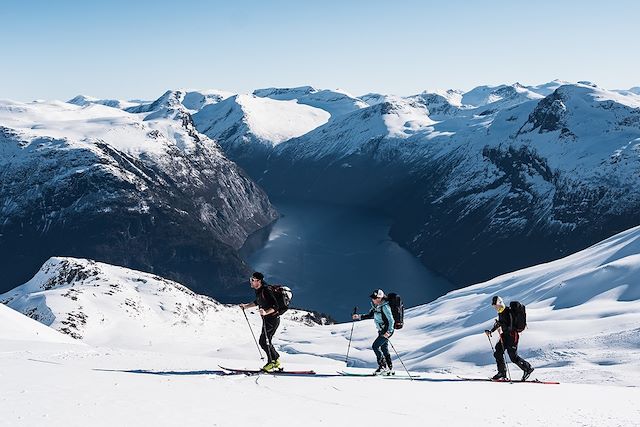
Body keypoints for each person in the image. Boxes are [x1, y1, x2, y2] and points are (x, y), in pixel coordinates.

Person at [239, 272, 282, 372]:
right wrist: (246, 306)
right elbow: (258, 301)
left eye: (253, 280)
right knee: (266, 341)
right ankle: (275, 360)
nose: (251, 281)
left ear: (259, 281)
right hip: (267, 319)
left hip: (272, 319)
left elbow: (275, 306)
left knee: (263, 341)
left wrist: (266, 312)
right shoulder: (259, 291)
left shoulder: (266, 290)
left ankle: (272, 361)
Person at [485, 296, 534, 381]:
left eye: (496, 305)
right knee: (498, 352)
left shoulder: (508, 312)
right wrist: (491, 331)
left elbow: (510, 326)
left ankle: (527, 368)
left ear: (500, 303)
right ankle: (502, 373)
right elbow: (500, 323)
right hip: (505, 335)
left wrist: (501, 326)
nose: (495, 307)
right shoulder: (500, 312)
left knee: (513, 357)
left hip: (512, 336)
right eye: (494, 306)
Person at [352, 289, 395, 375]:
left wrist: (389, 332)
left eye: (375, 298)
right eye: (373, 298)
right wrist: (358, 316)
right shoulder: (375, 307)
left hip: (386, 330)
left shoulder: (385, 306)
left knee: (375, 346)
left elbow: (391, 320)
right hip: (381, 330)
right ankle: (390, 369)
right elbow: (369, 315)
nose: (373, 299)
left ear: (380, 298)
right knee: (384, 348)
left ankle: (382, 367)